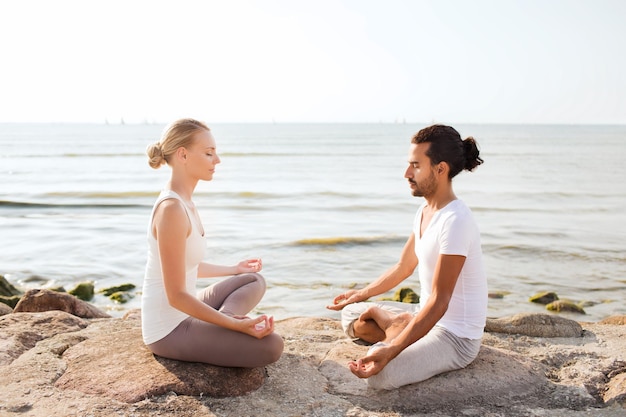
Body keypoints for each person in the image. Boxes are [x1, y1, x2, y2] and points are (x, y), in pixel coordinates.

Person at [327, 124, 487, 389]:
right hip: (423, 313)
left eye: (415, 165)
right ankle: (395, 325)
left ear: (440, 168)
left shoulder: (456, 221)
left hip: (455, 336)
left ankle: (395, 330)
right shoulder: (425, 211)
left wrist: (391, 350)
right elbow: (404, 266)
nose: (406, 173)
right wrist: (361, 294)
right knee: (351, 314)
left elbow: (440, 300)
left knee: (380, 375)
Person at [141, 118, 283, 367]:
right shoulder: (172, 209)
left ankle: (222, 321)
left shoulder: (185, 202)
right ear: (183, 155)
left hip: (185, 310)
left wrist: (235, 269)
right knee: (272, 346)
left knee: (253, 280)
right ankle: (225, 323)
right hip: (168, 328)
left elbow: (187, 265)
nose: (217, 161)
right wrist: (236, 325)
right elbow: (176, 297)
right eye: (209, 153)